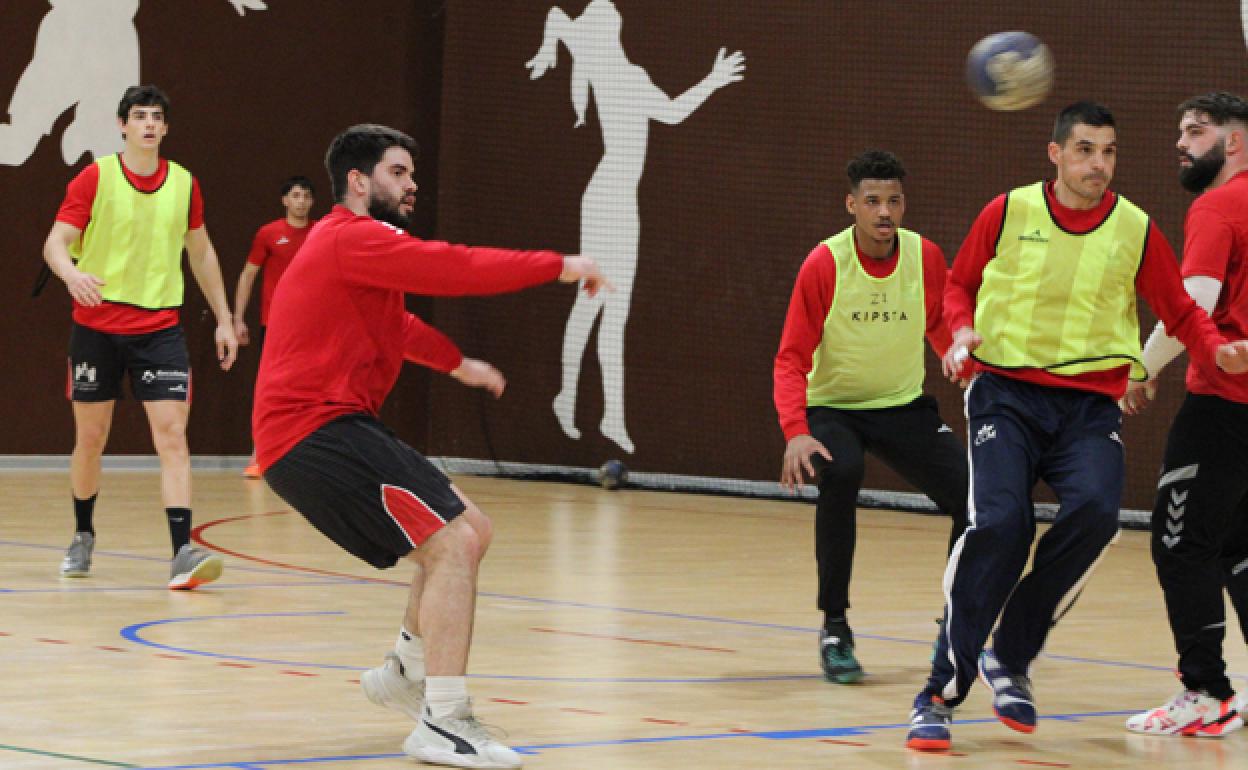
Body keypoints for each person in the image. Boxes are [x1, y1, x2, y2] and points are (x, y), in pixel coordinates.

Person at [253, 123, 605, 769]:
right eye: (397, 172)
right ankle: (443, 721)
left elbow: (398, 324)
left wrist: (456, 364)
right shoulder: (355, 234)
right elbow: (455, 266)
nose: (411, 183)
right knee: (452, 545)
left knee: (473, 527)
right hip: (315, 432)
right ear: (359, 182)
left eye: (412, 173)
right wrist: (560, 265)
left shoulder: (351, 248)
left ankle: (404, 672)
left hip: (329, 429)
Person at [904, 101, 1248, 752]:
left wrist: (1217, 350)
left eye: (1110, 151)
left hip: (1090, 406)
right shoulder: (1006, 212)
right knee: (1000, 524)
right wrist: (960, 334)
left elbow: (1180, 310)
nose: (1099, 164)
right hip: (1005, 395)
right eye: (1086, 150)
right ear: (1055, 154)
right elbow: (957, 287)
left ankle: (1013, 653)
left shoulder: (1136, 229)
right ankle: (940, 692)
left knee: (1095, 515)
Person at [773, 149, 968, 684]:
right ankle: (835, 626)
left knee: (974, 498)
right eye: (874, 202)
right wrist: (796, 432)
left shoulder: (924, 256)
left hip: (903, 406)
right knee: (842, 472)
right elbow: (791, 357)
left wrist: (961, 359)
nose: (886, 212)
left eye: (895, 201)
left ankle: (957, 623)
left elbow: (938, 324)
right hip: (834, 407)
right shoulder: (825, 263)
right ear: (852, 205)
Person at [527, 0, 745, 454]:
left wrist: (551, 46)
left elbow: (555, 17)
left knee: (614, 310)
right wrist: (713, 79)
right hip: (608, 197)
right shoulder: (623, 75)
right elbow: (675, 112)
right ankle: (570, 397)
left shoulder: (613, 70)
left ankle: (609, 414)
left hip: (619, 199)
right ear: (613, 31)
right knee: (593, 300)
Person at [42, 84, 237, 589]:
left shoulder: (184, 184)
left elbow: (202, 253)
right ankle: (83, 533)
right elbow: (56, 241)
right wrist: (71, 275)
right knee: (91, 439)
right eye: (139, 116)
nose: (148, 124)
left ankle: (182, 553)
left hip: (160, 330)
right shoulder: (95, 177)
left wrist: (222, 317)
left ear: (166, 128)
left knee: (172, 437)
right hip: (96, 330)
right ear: (122, 125)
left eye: (156, 117)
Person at [1121, 92, 1248, 737]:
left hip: (1224, 411)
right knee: (1237, 546)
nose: (1180, 142)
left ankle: (1206, 693)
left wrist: (1141, 370)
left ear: (1232, 143)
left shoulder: (1220, 206)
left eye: (1195, 131)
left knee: (1179, 545)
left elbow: (1190, 307)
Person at [233, 175, 316, 478]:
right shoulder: (269, 234)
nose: (301, 201)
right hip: (276, 325)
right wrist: (237, 318)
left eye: (306, 196)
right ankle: (259, 455)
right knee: (270, 388)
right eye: (295, 195)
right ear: (285, 200)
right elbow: (247, 276)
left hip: (313, 326)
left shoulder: (320, 233)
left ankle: (305, 454)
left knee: (312, 390)